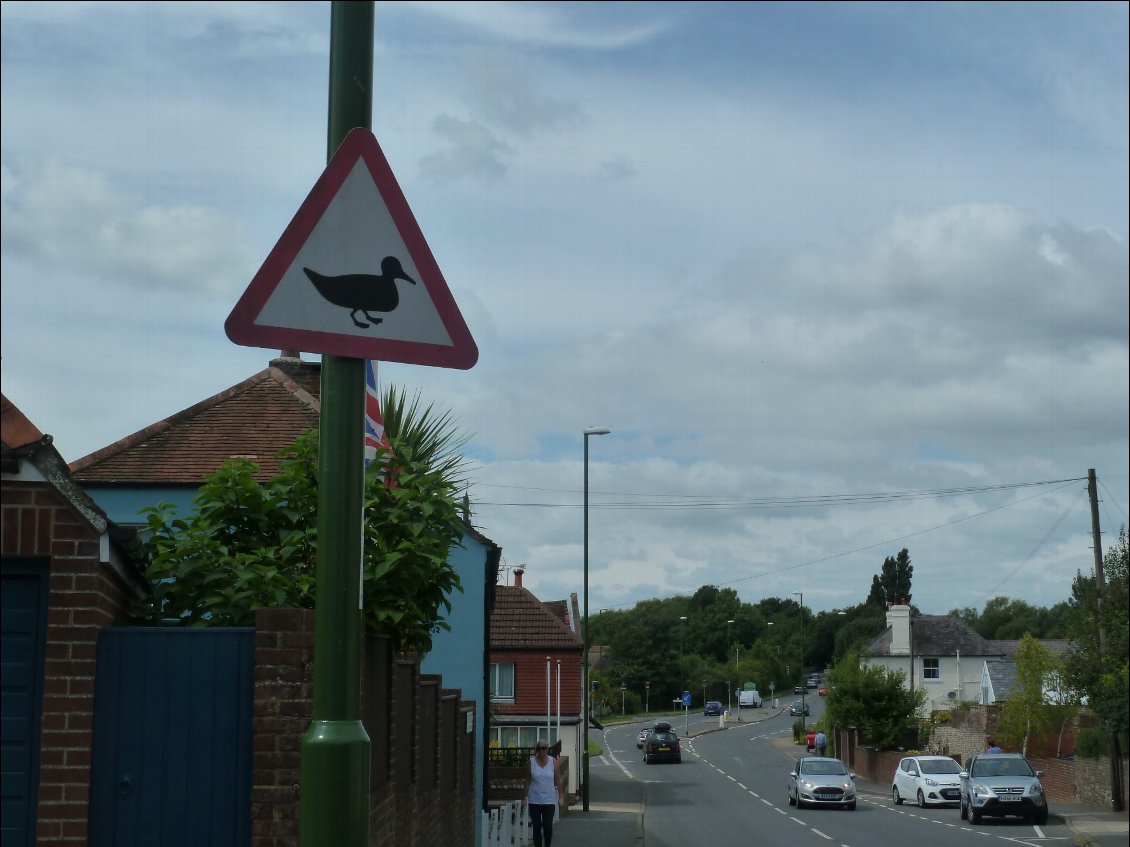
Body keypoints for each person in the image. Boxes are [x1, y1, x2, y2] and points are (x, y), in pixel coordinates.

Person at [523, 740, 564, 847]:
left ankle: (547, 845)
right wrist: (525, 797)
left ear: (547, 749)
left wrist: (561, 797)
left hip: (549, 800)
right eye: (539, 748)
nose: (541, 751)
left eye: (544, 748)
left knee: (547, 827)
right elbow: (527, 780)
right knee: (536, 827)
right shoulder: (531, 762)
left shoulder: (554, 762)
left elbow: (558, 780)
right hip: (534, 799)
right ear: (536, 750)